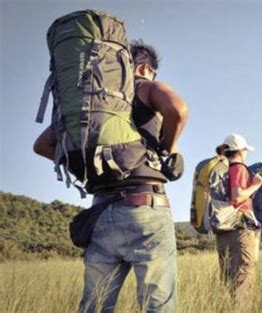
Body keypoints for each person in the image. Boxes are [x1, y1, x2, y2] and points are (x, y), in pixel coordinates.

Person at [34, 40, 188, 312]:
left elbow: (42, 145)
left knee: (95, 305)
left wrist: (88, 170)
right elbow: (178, 109)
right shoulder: (144, 86)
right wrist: (171, 149)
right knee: (158, 305)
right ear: (143, 67)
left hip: (101, 211)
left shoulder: (87, 103)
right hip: (145, 207)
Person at [215, 133, 262, 312]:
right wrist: (256, 185)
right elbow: (237, 197)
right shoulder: (238, 168)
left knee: (228, 277)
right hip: (240, 228)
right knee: (243, 277)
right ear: (241, 151)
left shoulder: (221, 170)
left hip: (222, 227)